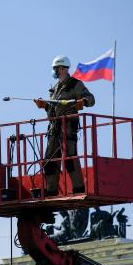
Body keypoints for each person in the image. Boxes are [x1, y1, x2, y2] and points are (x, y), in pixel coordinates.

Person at [35, 56, 95, 196]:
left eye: (55, 68)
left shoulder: (75, 84)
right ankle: (51, 191)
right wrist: (44, 106)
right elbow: (52, 112)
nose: (54, 71)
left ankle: (79, 189)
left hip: (68, 127)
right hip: (54, 128)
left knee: (69, 158)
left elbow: (91, 100)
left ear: (61, 68)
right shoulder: (55, 88)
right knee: (50, 158)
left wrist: (83, 102)